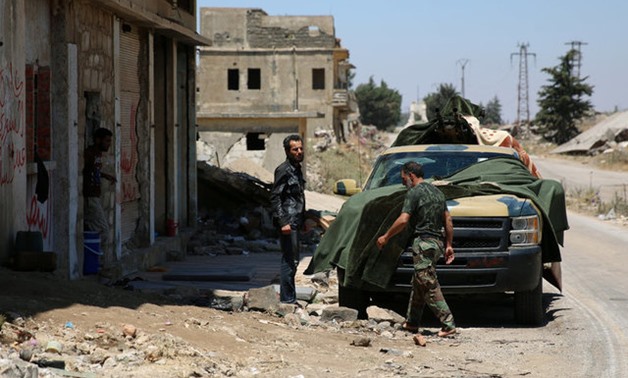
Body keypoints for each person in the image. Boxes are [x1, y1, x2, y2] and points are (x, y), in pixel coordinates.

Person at [376, 161, 456, 346]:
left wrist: (386, 237)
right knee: (419, 281)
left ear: (411, 175)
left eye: (403, 178)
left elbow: (404, 220)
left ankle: (448, 323)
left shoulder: (414, 192)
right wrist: (449, 244)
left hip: (424, 243)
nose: (403, 182)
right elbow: (448, 219)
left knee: (427, 282)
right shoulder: (438, 192)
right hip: (437, 244)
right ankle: (412, 322)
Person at [271, 135, 306, 304]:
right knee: (289, 260)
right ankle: (287, 300)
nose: (299, 152)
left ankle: (290, 298)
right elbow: (275, 197)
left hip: (295, 220)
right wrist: (282, 221)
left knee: (294, 260)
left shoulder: (296, 169)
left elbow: (299, 197)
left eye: (300, 148)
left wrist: (303, 220)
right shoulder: (283, 169)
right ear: (287, 151)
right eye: (295, 149)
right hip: (287, 220)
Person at [84, 128, 116, 260]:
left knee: (94, 230)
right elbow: (85, 171)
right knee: (104, 231)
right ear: (98, 140)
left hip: (94, 196)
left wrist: (105, 176)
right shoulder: (89, 153)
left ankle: (93, 260)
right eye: (107, 141)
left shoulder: (97, 154)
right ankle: (97, 260)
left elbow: (93, 171)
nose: (109, 144)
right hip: (90, 197)